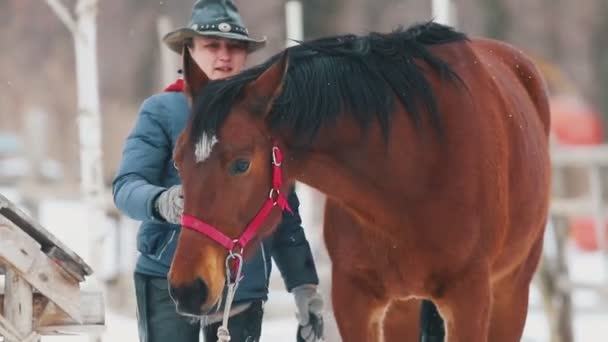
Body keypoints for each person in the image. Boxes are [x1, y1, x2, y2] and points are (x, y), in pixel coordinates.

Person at [112, 1, 323, 341]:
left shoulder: (262, 120)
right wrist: (161, 201)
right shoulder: (162, 110)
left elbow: (282, 207)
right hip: (170, 279)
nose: (224, 56)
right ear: (190, 52)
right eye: (212, 46)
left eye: (234, 47)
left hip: (243, 283)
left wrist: (303, 285)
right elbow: (125, 187)